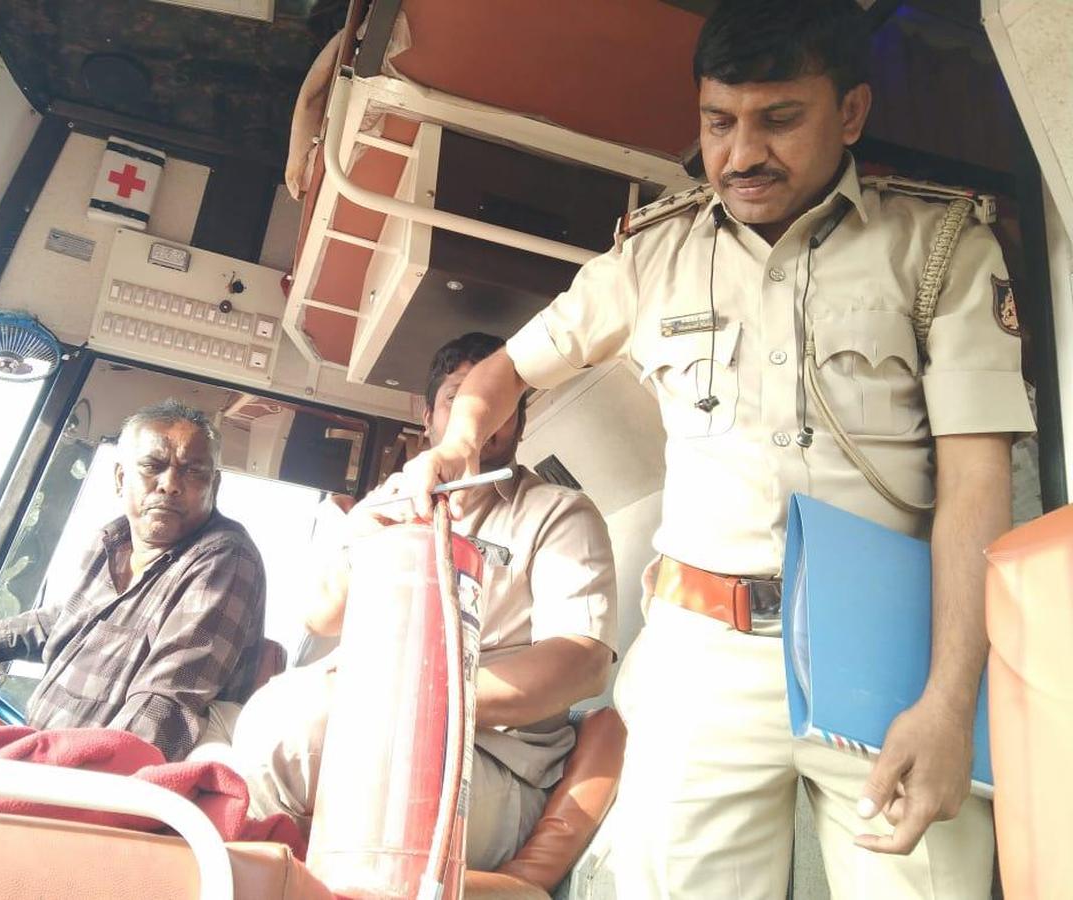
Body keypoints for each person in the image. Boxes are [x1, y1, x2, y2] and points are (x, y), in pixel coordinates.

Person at [393, 2, 1034, 897]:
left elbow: (977, 480)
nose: (741, 155)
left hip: (886, 656)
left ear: (850, 113)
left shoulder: (936, 249)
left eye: (780, 119)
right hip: (701, 652)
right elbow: (502, 371)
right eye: (718, 122)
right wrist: (460, 440)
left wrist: (950, 696)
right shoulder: (652, 259)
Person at [212, 332, 618, 871]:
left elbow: (583, 662)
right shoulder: (389, 500)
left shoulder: (557, 513)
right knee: (270, 719)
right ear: (427, 415)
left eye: (500, 402)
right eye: (457, 396)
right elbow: (319, 613)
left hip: (489, 764)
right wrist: (365, 540)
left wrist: (425, 698)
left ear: (518, 419)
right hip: (369, 724)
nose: (485, 415)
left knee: (327, 742)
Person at [0, 399, 267, 762]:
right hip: (37, 749)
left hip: (88, 782)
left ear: (214, 484)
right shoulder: (109, 542)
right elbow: (65, 620)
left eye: (193, 472)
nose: (170, 485)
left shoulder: (225, 558)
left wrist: (74, 779)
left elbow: (169, 701)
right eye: (153, 466)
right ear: (120, 478)